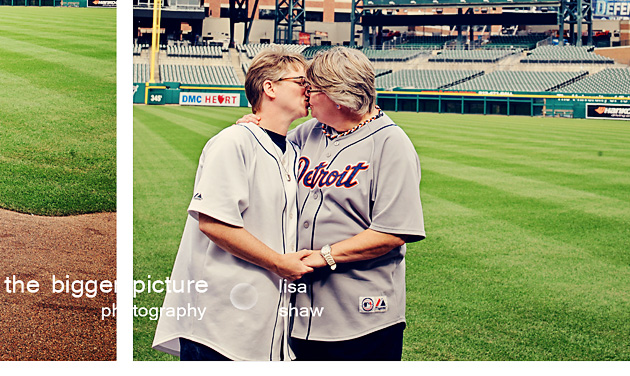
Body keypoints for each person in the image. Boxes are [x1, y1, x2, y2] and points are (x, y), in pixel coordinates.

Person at [152, 48, 313, 361]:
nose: (309, 89)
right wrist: (280, 263)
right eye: (301, 81)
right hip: (217, 325)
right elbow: (214, 223)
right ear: (270, 87)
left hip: (264, 322)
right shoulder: (234, 142)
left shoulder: (292, 151)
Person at [286, 46, 425, 361]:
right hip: (297, 313)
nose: (306, 95)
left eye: (313, 89)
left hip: (362, 318)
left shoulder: (391, 144)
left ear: (338, 96)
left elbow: (392, 232)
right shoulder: (307, 133)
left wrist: (324, 256)